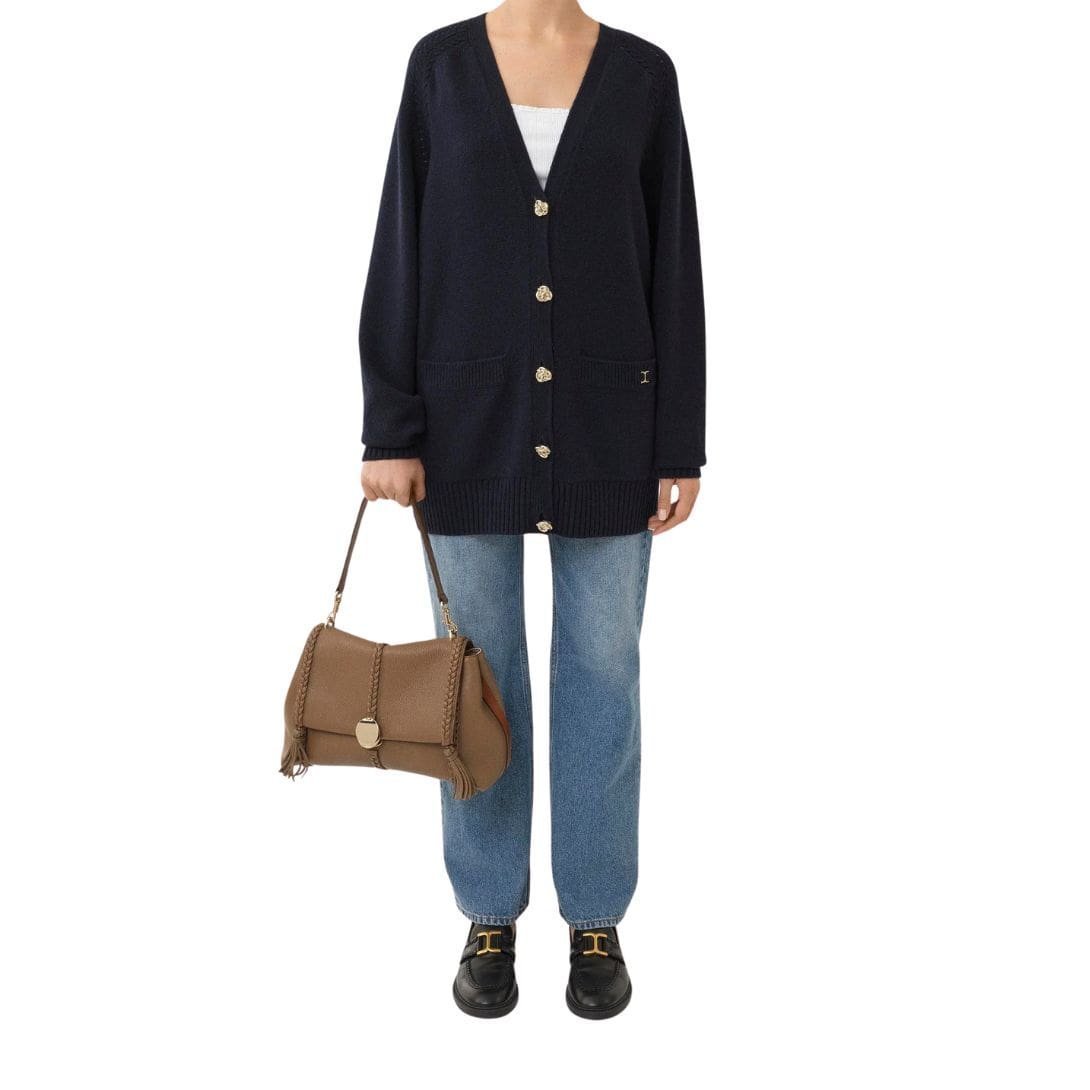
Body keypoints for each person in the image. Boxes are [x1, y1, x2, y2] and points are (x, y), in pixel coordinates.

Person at [357, 1, 705, 1020]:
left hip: (610, 425)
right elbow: (401, 248)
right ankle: (488, 912)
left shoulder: (643, 75)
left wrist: (677, 440)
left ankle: (595, 915)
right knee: (477, 681)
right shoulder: (438, 67)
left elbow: (673, 262)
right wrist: (389, 428)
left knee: (604, 672)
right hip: (465, 426)